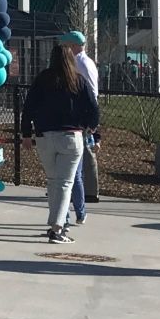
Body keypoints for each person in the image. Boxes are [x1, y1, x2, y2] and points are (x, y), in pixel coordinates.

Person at [21, 44, 102, 244]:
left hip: (44, 136)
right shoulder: (78, 81)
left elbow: (28, 107)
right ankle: (57, 229)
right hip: (71, 137)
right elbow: (93, 108)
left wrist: (25, 134)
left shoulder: (42, 80)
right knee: (66, 183)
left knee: (53, 181)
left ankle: (55, 223)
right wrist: (89, 127)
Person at [61, 30, 101, 226]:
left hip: (81, 122)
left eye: (67, 45)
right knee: (75, 168)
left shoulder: (82, 64)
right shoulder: (83, 62)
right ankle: (78, 208)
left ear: (74, 45)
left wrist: (90, 123)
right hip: (81, 120)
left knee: (76, 169)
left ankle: (80, 206)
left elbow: (91, 94)